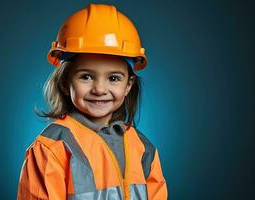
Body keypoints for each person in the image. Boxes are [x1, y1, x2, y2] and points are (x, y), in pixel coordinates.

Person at [17, 3, 167, 200]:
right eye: (86, 77)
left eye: (113, 78)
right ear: (64, 82)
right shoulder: (51, 147)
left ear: (128, 85)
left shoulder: (142, 147)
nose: (99, 89)